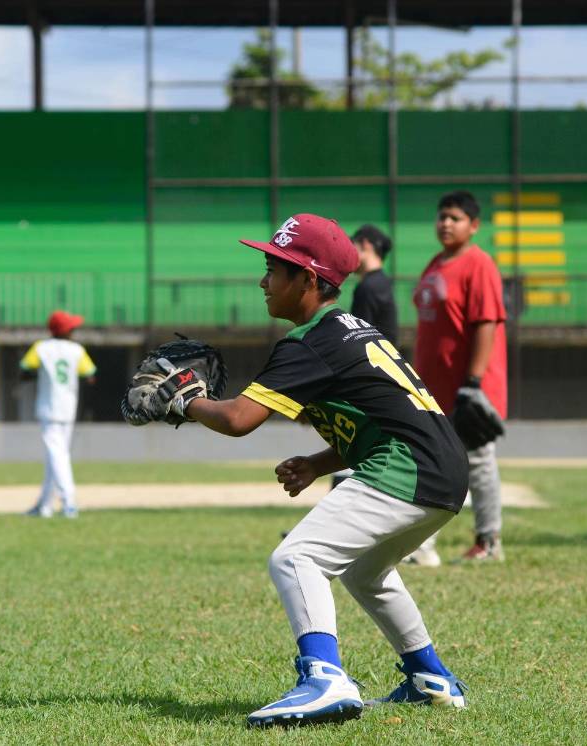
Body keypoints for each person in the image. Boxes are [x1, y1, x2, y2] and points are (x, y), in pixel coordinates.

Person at [154, 214, 469, 728]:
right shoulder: (351, 331)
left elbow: (238, 421)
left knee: (295, 558)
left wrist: (187, 402)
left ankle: (324, 679)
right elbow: (380, 418)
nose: (263, 281)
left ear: (308, 278)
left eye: (273, 269)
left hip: (407, 468)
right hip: (442, 469)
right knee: (366, 572)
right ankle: (430, 679)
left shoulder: (312, 342)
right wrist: (321, 462)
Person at [409, 190, 508, 565]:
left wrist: (474, 382)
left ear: (474, 226)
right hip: (433, 387)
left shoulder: (478, 264)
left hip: (467, 385)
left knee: (478, 461)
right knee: (430, 461)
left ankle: (489, 540)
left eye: (455, 218)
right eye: (441, 216)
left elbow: (487, 323)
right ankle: (420, 547)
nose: (446, 223)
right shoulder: (436, 263)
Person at [328, 224, 400, 490]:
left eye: (352, 246)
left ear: (366, 245)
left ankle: (333, 522)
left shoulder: (368, 287)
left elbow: (358, 341)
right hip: (384, 374)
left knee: (352, 446)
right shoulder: (381, 283)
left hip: (372, 376)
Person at [20, 310, 97, 518]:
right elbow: (90, 375)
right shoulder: (77, 349)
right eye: (71, 328)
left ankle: (68, 502)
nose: (74, 330)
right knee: (55, 456)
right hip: (68, 408)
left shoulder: (41, 348)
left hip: (48, 407)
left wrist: (36, 375)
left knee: (57, 455)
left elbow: (25, 369)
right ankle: (44, 505)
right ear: (65, 330)